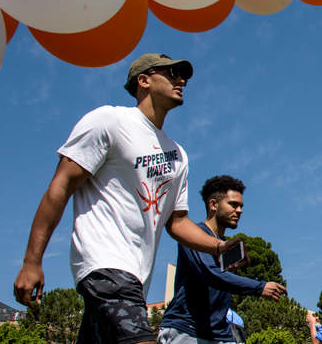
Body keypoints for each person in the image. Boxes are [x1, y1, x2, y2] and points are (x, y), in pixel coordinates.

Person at [14, 53, 237, 344]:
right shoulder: (110, 121)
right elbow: (61, 186)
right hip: (105, 265)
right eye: (171, 72)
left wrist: (218, 247)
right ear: (143, 80)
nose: (180, 79)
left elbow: (177, 222)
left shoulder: (178, 155)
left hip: (136, 278)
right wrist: (32, 262)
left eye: (182, 75)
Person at [159, 175, 287, 343]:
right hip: (188, 330)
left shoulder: (226, 246)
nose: (239, 210)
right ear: (213, 204)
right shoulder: (193, 235)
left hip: (219, 334)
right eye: (233, 205)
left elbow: (222, 286)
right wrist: (259, 287)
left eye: (241, 206)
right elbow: (211, 275)